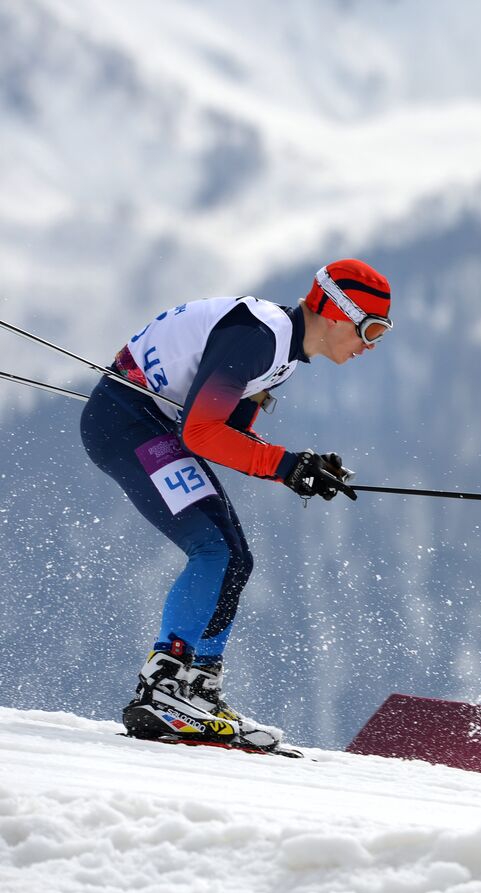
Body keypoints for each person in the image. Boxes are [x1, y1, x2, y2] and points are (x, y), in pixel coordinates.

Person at [79, 259, 392, 751]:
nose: (371, 344)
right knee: (214, 551)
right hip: (126, 422)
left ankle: (196, 687)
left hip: (146, 422)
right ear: (335, 312)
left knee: (234, 557)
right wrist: (287, 466)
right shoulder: (260, 336)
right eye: (370, 328)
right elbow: (202, 433)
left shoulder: (281, 352)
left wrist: (303, 469)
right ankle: (165, 688)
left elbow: (230, 432)